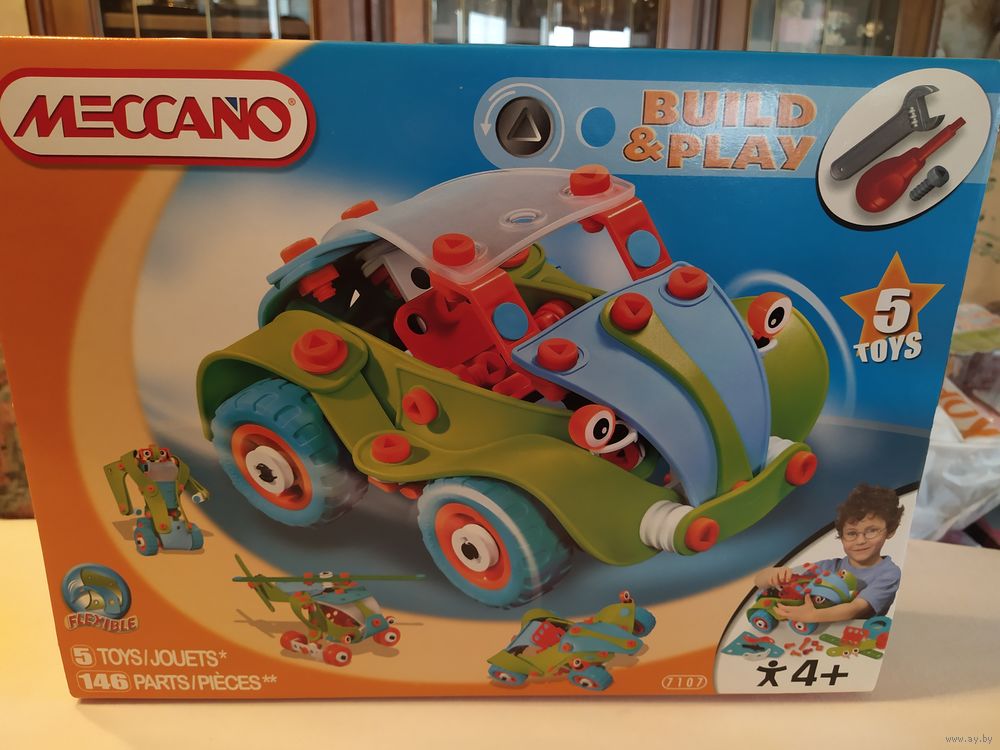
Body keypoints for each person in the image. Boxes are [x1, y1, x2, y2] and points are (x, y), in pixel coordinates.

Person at [753, 484, 903, 623]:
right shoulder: (828, 567)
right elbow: (759, 581)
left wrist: (812, 616)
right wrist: (774, 574)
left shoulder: (888, 573)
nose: (861, 540)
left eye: (872, 531)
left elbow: (856, 609)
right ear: (842, 536)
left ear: (890, 530)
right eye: (851, 533)